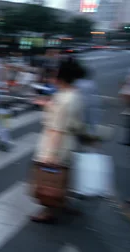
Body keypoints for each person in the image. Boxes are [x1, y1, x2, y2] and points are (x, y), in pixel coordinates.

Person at [31, 57, 86, 223]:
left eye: (54, 74)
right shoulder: (74, 95)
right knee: (63, 176)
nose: (51, 77)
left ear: (60, 77)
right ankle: (63, 202)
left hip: (56, 143)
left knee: (48, 179)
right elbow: (74, 121)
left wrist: (51, 155)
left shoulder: (62, 99)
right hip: (68, 143)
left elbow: (57, 128)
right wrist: (48, 106)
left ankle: (48, 211)